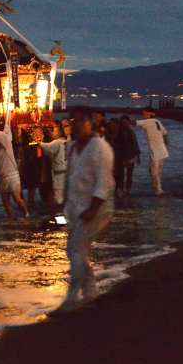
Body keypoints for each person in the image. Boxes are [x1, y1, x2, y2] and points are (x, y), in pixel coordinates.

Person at [52, 105, 114, 315]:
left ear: (91, 123)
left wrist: (93, 209)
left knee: (74, 249)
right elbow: (72, 179)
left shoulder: (100, 147)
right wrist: (63, 208)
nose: (75, 125)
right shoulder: (72, 147)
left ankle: (71, 299)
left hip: (96, 210)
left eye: (80, 120)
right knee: (79, 250)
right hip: (74, 210)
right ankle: (91, 294)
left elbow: (105, 182)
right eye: (72, 121)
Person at [0, 114, 29, 219]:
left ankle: (26, 214)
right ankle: (11, 217)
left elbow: (3, 136)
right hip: (4, 176)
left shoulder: (7, 145)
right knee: (5, 199)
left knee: (16, 198)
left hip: (12, 175)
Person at [134, 111, 169, 195]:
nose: (143, 115)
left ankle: (158, 189)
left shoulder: (148, 121)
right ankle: (158, 188)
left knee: (153, 171)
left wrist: (124, 121)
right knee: (157, 171)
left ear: (149, 114)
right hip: (163, 150)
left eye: (144, 114)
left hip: (155, 150)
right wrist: (166, 141)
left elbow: (135, 122)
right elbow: (165, 133)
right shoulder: (158, 121)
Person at [36, 120, 68, 212]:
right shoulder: (66, 142)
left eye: (55, 131)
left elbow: (46, 147)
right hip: (66, 172)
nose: (53, 133)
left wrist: (37, 141)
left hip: (59, 173)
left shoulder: (57, 143)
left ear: (61, 132)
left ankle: (59, 216)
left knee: (58, 196)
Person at [112, 115, 141, 195]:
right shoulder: (117, 131)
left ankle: (127, 190)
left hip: (130, 155)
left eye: (127, 123)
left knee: (129, 174)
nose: (125, 125)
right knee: (119, 175)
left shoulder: (131, 132)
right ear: (120, 123)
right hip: (120, 156)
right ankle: (119, 189)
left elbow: (135, 144)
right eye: (123, 123)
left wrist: (138, 156)